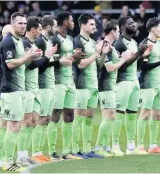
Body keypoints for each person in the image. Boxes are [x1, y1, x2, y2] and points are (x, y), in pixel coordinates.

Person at [0, 12, 41, 172]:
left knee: (17, 126)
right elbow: (10, 64)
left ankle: (11, 159)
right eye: (20, 23)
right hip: (11, 90)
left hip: (20, 89)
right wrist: (28, 56)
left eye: (24, 23)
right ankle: (7, 161)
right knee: (13, 126)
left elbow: (23, 64)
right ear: (13, 25)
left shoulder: (18, 42)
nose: (23, 26)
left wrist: (31, 57)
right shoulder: (9, 41)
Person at [46, 11, 84, 160]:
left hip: (70, 81)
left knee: (70, 115)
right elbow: (51, 61)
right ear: (65, 22)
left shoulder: (69, 38)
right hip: (58, 82)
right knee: (55, 114)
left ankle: (67, 152)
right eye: (71, 20)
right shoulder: (54, 39)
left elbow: (69, 60)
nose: (73, 23)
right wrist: (69, 57)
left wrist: (76, 57)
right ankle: (52, 152)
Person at [71, 13, 109, 159]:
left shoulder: (93, 42)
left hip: (93, 84)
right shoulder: (77, 41)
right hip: (81, 84)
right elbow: (80, 65)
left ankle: (87, 149)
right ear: (83, 25)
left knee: (90, 116)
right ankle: (75, 149)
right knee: (79, 116)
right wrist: (95, 54)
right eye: (92, 24)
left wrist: (103, 54)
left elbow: (98, 65)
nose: (95, 27)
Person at [94, 19, 133, 157]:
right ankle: (98, 147)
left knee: (108, 116)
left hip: (110, 85)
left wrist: (122, 57)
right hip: (105, 85)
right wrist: (124, 59)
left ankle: (104, 146)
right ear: (112, 31)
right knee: (110, 116)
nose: (119, 33)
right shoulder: (106, 46)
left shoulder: (111, 47)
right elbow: (109, 68)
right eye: (117, 30)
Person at [137, 17, 160, 154]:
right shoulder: (144, 44)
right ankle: (140, 146)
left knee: (157, 115)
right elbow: (143, 66)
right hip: (147, 83)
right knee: (145, 114)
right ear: (153, 29)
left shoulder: (159, 44)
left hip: (159, 83)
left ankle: (153, 146)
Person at [112, 16, 147, 155]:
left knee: (132, 114)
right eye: (130, 23)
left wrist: (142, 57)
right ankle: (115, 145)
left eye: (134, 22)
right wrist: (138, 53)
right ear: (122, 27)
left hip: (134, 81)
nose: (134, 25)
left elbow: (135, 66)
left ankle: (131, 146)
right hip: (122, 81)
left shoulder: (134, 42)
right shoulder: (119, 44)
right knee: (119, 113)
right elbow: (121, 66)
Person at [31, 15, 60, 162]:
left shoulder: (48, 42)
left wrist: (59, 59)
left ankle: (40, 152)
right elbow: (39, 66)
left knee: (47, 119)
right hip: (42, 86)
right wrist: (50, 57)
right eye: (55, 26)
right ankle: (35, 153)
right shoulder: (39, 42)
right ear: (48, 27)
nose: (56, 28)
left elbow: (48, 62)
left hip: (50, 84)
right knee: (41, 119)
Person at [0, 24, 12, 168]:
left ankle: (4, 157)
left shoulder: (2, 45)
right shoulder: (3, 47)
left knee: (8, 124)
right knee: (4, 124)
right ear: (5, 34)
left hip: (6, 88)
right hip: (3, 88)